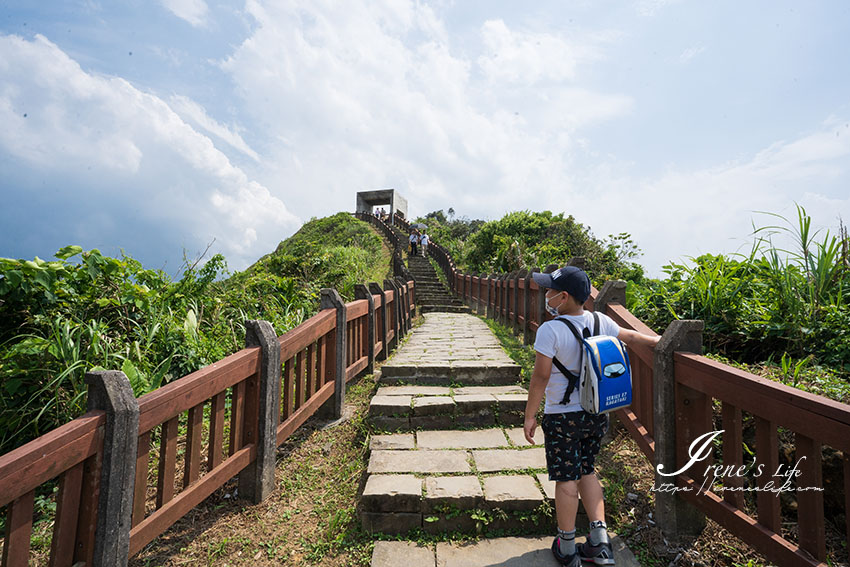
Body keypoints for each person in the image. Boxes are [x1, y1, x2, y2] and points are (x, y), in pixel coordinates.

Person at [523, 265, 660, 566]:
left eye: (550, 291)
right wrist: (660, 342)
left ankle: (567, 544)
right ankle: (600, 542)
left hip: (562, 417)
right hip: (595, 414)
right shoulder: (601, 321)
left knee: (566, 479)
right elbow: (632, 338)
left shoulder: (551, 330)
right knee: (587, 470)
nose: (546, 295)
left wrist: (530, 415)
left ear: (563, 296)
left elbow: (541, 376)